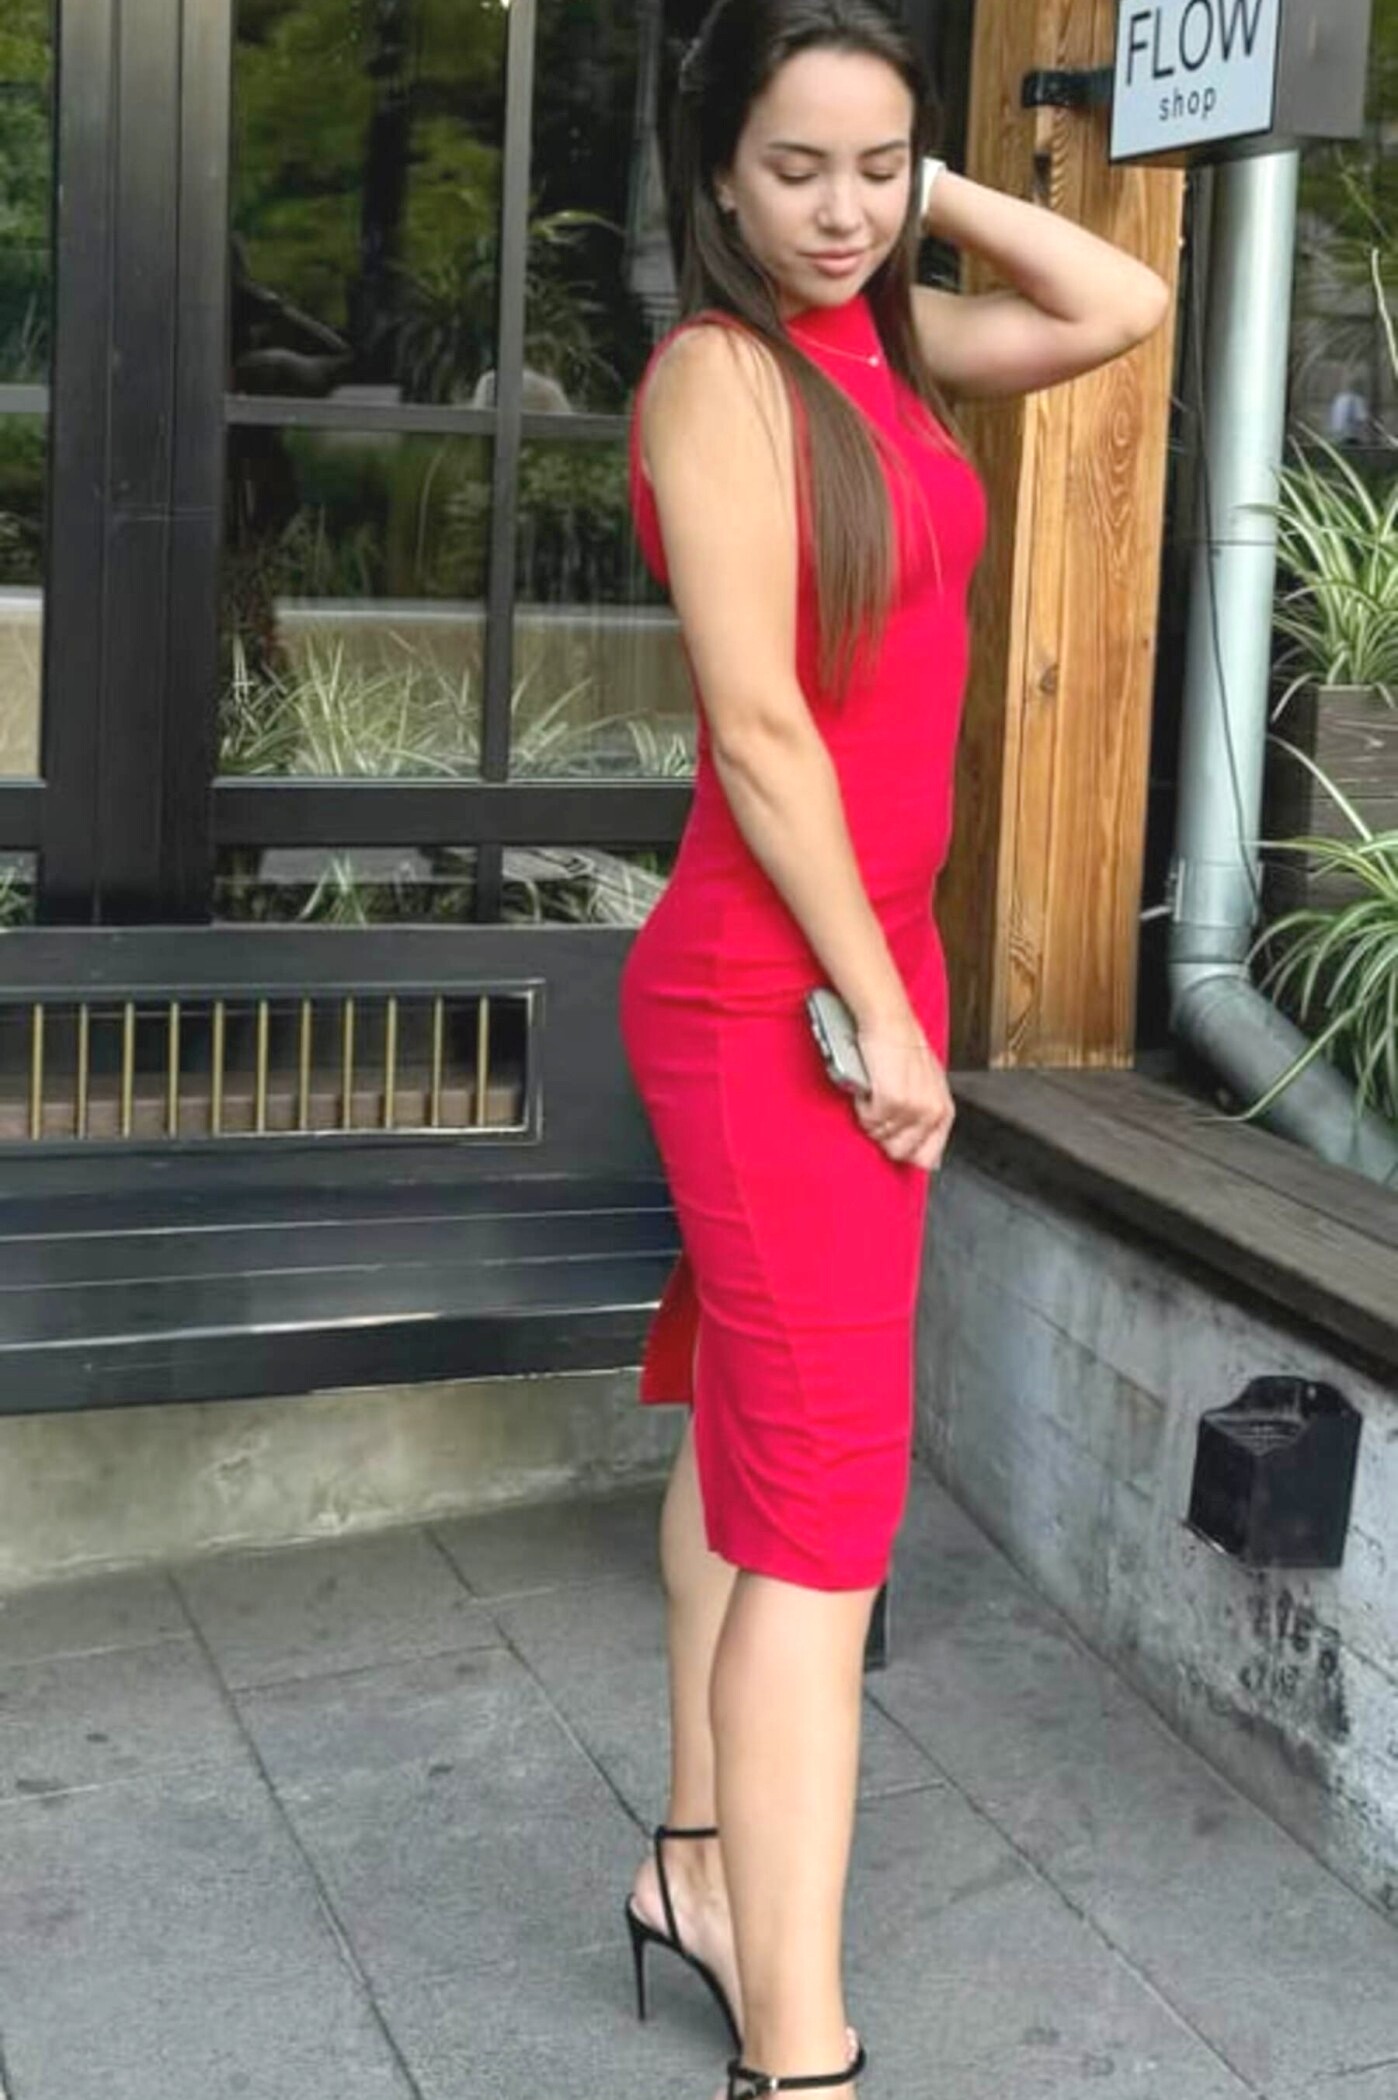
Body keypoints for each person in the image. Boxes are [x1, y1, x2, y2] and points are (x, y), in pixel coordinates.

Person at [617, 6, 1170, 2096]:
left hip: (857, 978)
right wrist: (877, 1008)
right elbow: (762, 731)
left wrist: (911, 179)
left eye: (877, 168)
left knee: (756, 1433)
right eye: (794, 169)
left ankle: (695, 1863)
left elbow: (1117, 301)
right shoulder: (718, 378)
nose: (841, 211)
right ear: (716, 170)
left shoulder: (890, 340)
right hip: (778, 992)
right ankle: (801, 2051)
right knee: (825, 1524)